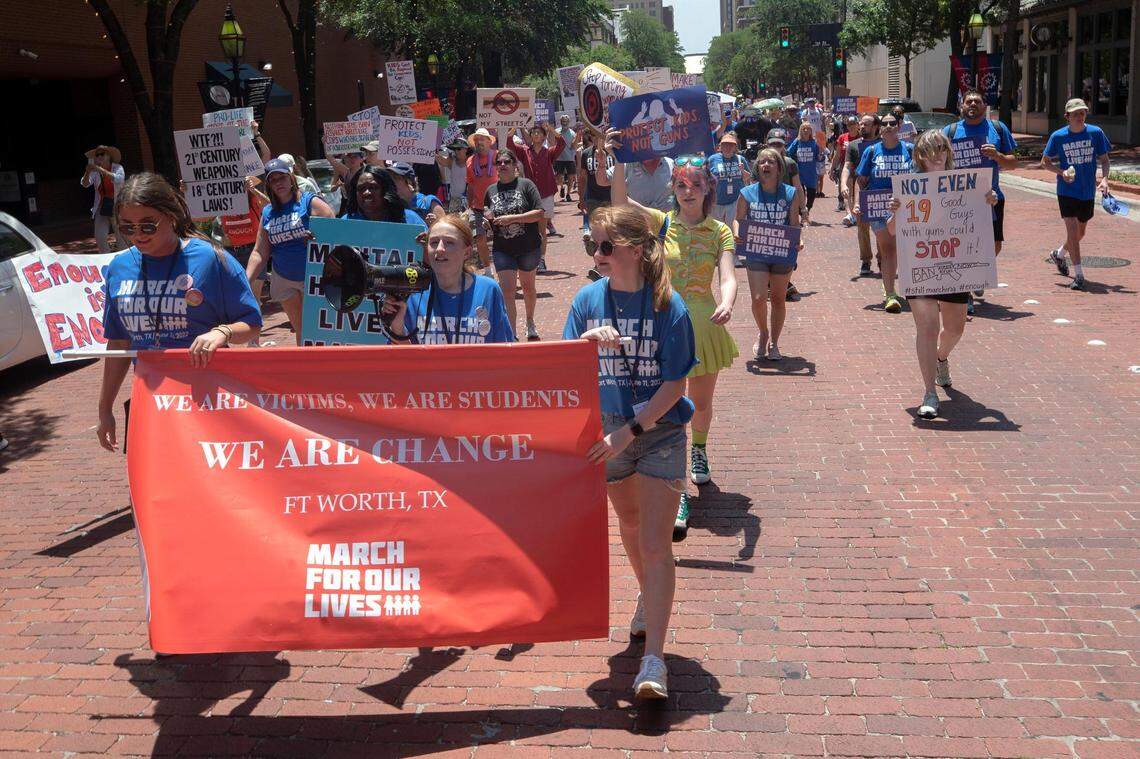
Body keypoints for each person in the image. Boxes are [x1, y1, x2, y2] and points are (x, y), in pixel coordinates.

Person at [562, 205, 696, 701]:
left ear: (635, 251)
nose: (596, 254)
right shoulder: (586, 300)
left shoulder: (670, 306)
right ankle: (647, 597)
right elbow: (563, 370)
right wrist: (584, 342)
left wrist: (632, 431)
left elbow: (674, 385)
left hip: (657, 432)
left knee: (658, 544)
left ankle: (654, 660)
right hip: (607, 434)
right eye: (591, 244)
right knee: (633, 527)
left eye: (604, 246)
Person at [606, 131, 738, 540]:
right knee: (669, 408)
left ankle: (699, 449)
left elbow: (729, 276)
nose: (687, 191)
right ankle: (677, 488)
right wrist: (620, 157)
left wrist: (728, 301)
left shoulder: (721, 231)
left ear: (707, 189)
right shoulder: (662, 225)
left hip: (703, 322)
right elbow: (619, 203)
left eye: (695, 185)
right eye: (680, 184)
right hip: (663, 323)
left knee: (700, 404)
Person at [97, 172, 262, 452]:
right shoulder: (119, 267)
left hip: (207, 399)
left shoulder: (210, 258)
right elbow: (119, 343)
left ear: (171, 216)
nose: (137, 235)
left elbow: (252, 323)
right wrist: (105, 409)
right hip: (151, 402)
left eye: (148, 226)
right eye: (127, 228)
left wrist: (222, 332)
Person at [887, 130, 997, 418]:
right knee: (927, 328)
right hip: (921, 266)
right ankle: (929, 392)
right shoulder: (909, 187)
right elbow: (891, 230)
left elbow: (980, 216)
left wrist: (988, 200)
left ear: (948, 152)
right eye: (929, 150)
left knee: (955, 328)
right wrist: (895, 211)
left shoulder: (966, 185)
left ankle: (941, 357)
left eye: (941, 148)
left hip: (954, 267)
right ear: (919, 156)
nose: (936, 154)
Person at [941, 89, 1019, 312]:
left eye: (977, 101)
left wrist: (998, 156)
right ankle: (966, 292)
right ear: (961, 106)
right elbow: (939, 163)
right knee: (963, 247)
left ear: (985, 106)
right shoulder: (950, 131)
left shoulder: (997, 129)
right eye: (968, 102)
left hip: (991, 199)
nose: (973, 105)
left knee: (994, 246)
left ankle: (977, 273)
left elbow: (1013, 163)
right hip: (959, 202)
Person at [246, 158, 335, 345]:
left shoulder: (309, 201)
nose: (279, 183)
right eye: (273, 179)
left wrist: (318, 236)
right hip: (284, 278)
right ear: (269, 184)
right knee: (300, 327)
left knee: (318, 327)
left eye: (282, 177)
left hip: (313, 276)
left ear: (291, 178)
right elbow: (260, 252)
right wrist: (246, 280)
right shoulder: (268, 212)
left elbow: (333, 228)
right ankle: (305, 368)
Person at [385, 214, 513, 344]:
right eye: (434, 242)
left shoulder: (488, 290)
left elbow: (504, 352)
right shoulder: (413, 292)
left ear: (467, 252)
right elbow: (405, 360)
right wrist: (397, 328)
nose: (440, 249)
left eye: (449, 242)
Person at [735, 148, 803, 361]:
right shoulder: (747, 193)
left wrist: (798, 240)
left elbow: (794, 224)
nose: (766, 165)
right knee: (758, 298)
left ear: (779, 168)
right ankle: (763, 332)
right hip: (757, 251)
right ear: (757, 167)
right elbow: (738, 219)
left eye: (770, 162)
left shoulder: (790, 193)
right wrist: (737, 232)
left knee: (778, 299)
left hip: (782, 252)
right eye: (762, 162)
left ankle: (774, 341)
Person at [1042, 98, 1112, 291]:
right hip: (1066, 191)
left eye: (1082, 113)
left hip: (1087, 191)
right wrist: (1060, 173)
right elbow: (1045, 161)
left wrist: (1104, 179)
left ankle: (1059, 253)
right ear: (1067, 117)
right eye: (1075, 114)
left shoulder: (1095, 133)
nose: (1080, 117)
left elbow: (1105, 160)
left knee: (1080, 233)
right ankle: (1079, 275)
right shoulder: (1058, 136)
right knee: (1072, 232)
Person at [484, 149, 545, 340]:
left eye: (506, 162)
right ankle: (512, 333)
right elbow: (488, 216)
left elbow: (539, 213)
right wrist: (487, 222)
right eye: (498, 162)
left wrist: (512, 219)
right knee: (507, 292)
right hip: (503, 249)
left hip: (528, 246)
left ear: (514, 165)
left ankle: (530, 321)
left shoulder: (526, 185)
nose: (502, 165)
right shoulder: (490, 190)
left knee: (528, 288)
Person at [855, 112, 911, 312]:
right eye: (884, 123)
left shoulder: (910, 150)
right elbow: (860, 180)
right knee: (888, 250)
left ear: (900, 125)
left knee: (903, 251)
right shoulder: (871, 151)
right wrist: (856, 204)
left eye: (892, 123)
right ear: (880, 127)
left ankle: (913, 288)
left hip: (907, 209)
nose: (888, 126)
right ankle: (890, 295)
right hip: (878, 208)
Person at [507, 122, 566, 262]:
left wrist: (551, 128)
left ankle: (542, 260)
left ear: (544, 136)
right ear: (530, 136)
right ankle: (529, 257)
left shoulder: (549, 152)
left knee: (542, 230)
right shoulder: (524, 151)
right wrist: (516, 125)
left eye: (539, 132)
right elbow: (509, 142)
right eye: (533, 132)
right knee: (527, 229)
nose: (536, 134)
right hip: (530, 195)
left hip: (546, 194)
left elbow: (562, 143)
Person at [843, 114, 881, 274]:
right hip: (861, 192)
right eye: (861, 124)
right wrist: (843, 184)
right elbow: (847, 166)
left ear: (875, 127)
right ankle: (866, 260)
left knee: (881, 229)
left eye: (866, 124)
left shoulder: (883, 143)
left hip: (880, 192)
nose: (862, 127)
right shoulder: (853, 146)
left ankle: (882, 258)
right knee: (862, 228)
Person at [340, 165, 427, 227]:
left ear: (386, 190)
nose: (366, 192)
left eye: (373, 187)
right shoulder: (345, 223)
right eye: (361, 188)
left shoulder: (411, 220)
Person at [81, 145, 126, 254]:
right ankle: (106, 258)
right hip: (102, 206)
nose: (99, 156)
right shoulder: (94, 172)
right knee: (100, 236)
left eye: (102, 154)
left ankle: (124, 257)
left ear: (109, 156)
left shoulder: (118, 167)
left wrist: (101, 170)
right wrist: (88, 172)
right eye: (97, 155)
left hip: (117, 206)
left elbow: (119, 179)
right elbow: (85, 184)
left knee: (122, 236)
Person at [465, 128, 499, 272]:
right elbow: (471, 185)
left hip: (498, 205)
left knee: (502, 237)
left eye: (482, 139)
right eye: (477, 140)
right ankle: (487, 270)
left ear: (489, 142)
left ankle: (506, 266)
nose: (479, 142)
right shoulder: (470, 162)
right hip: (478, 206)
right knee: (479, 237)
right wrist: (468, 206)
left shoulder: (498, 157)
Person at [598, 154, 676, 213]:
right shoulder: (627, 164)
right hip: (637, 226)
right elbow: (602, 181)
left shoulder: (671, 164)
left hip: (666, 228)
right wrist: (601, 164)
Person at [707, 133, 751, 226]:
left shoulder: (740, 159)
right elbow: (705, 178)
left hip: (735, 202)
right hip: (716, 202)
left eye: (731, 145)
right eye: (725, 144)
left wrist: (742, 171)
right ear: (720, 146)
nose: (728, 147)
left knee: (733, 230)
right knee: (716, 231)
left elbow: (748, 179)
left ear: (735, 147)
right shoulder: (712, 159)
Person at [787, 123, 821, 226]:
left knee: (811, 196)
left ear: (811, 131)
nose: (806, 131)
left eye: (808, 129)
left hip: (811, 174)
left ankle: (806, 211)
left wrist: (821, 156)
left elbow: (819, 157)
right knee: (799, 196)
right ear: (800, 131)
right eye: (803, 129)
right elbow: (788, 153)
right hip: (799, 174)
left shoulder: (815, 143)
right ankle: (803, 216)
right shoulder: (797, 142)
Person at [831, 116, 859, 214]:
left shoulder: (862, 137)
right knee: (847, 191)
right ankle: (849, 214)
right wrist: (832, 168)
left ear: (858, 125)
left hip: (859, 168)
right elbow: (837, 155)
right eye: (849, 124)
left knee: (856, 192)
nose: (851, 126)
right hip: (845, 167)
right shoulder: (842, 137)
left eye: (853, 124)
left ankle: (855, 211)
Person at [440, 139, 470, 212]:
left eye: (458, 149)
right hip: (454, 200)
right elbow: (439, 159)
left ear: (466, 149)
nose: (456, 151)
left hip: (468, 201)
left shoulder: (472, 162)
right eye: (454, 149)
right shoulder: (451, 161)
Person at [555, 114, 577, 202]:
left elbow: (574, 145)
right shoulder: (556, 132)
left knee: (571, 177)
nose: (564, 123)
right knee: (559, 177)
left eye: (566, 121)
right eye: (563, 121)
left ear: (568, 122)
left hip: (570, 158)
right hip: (559, 158)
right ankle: (562, 187)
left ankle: (568, 194)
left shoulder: (572, 133)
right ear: (560, 122)